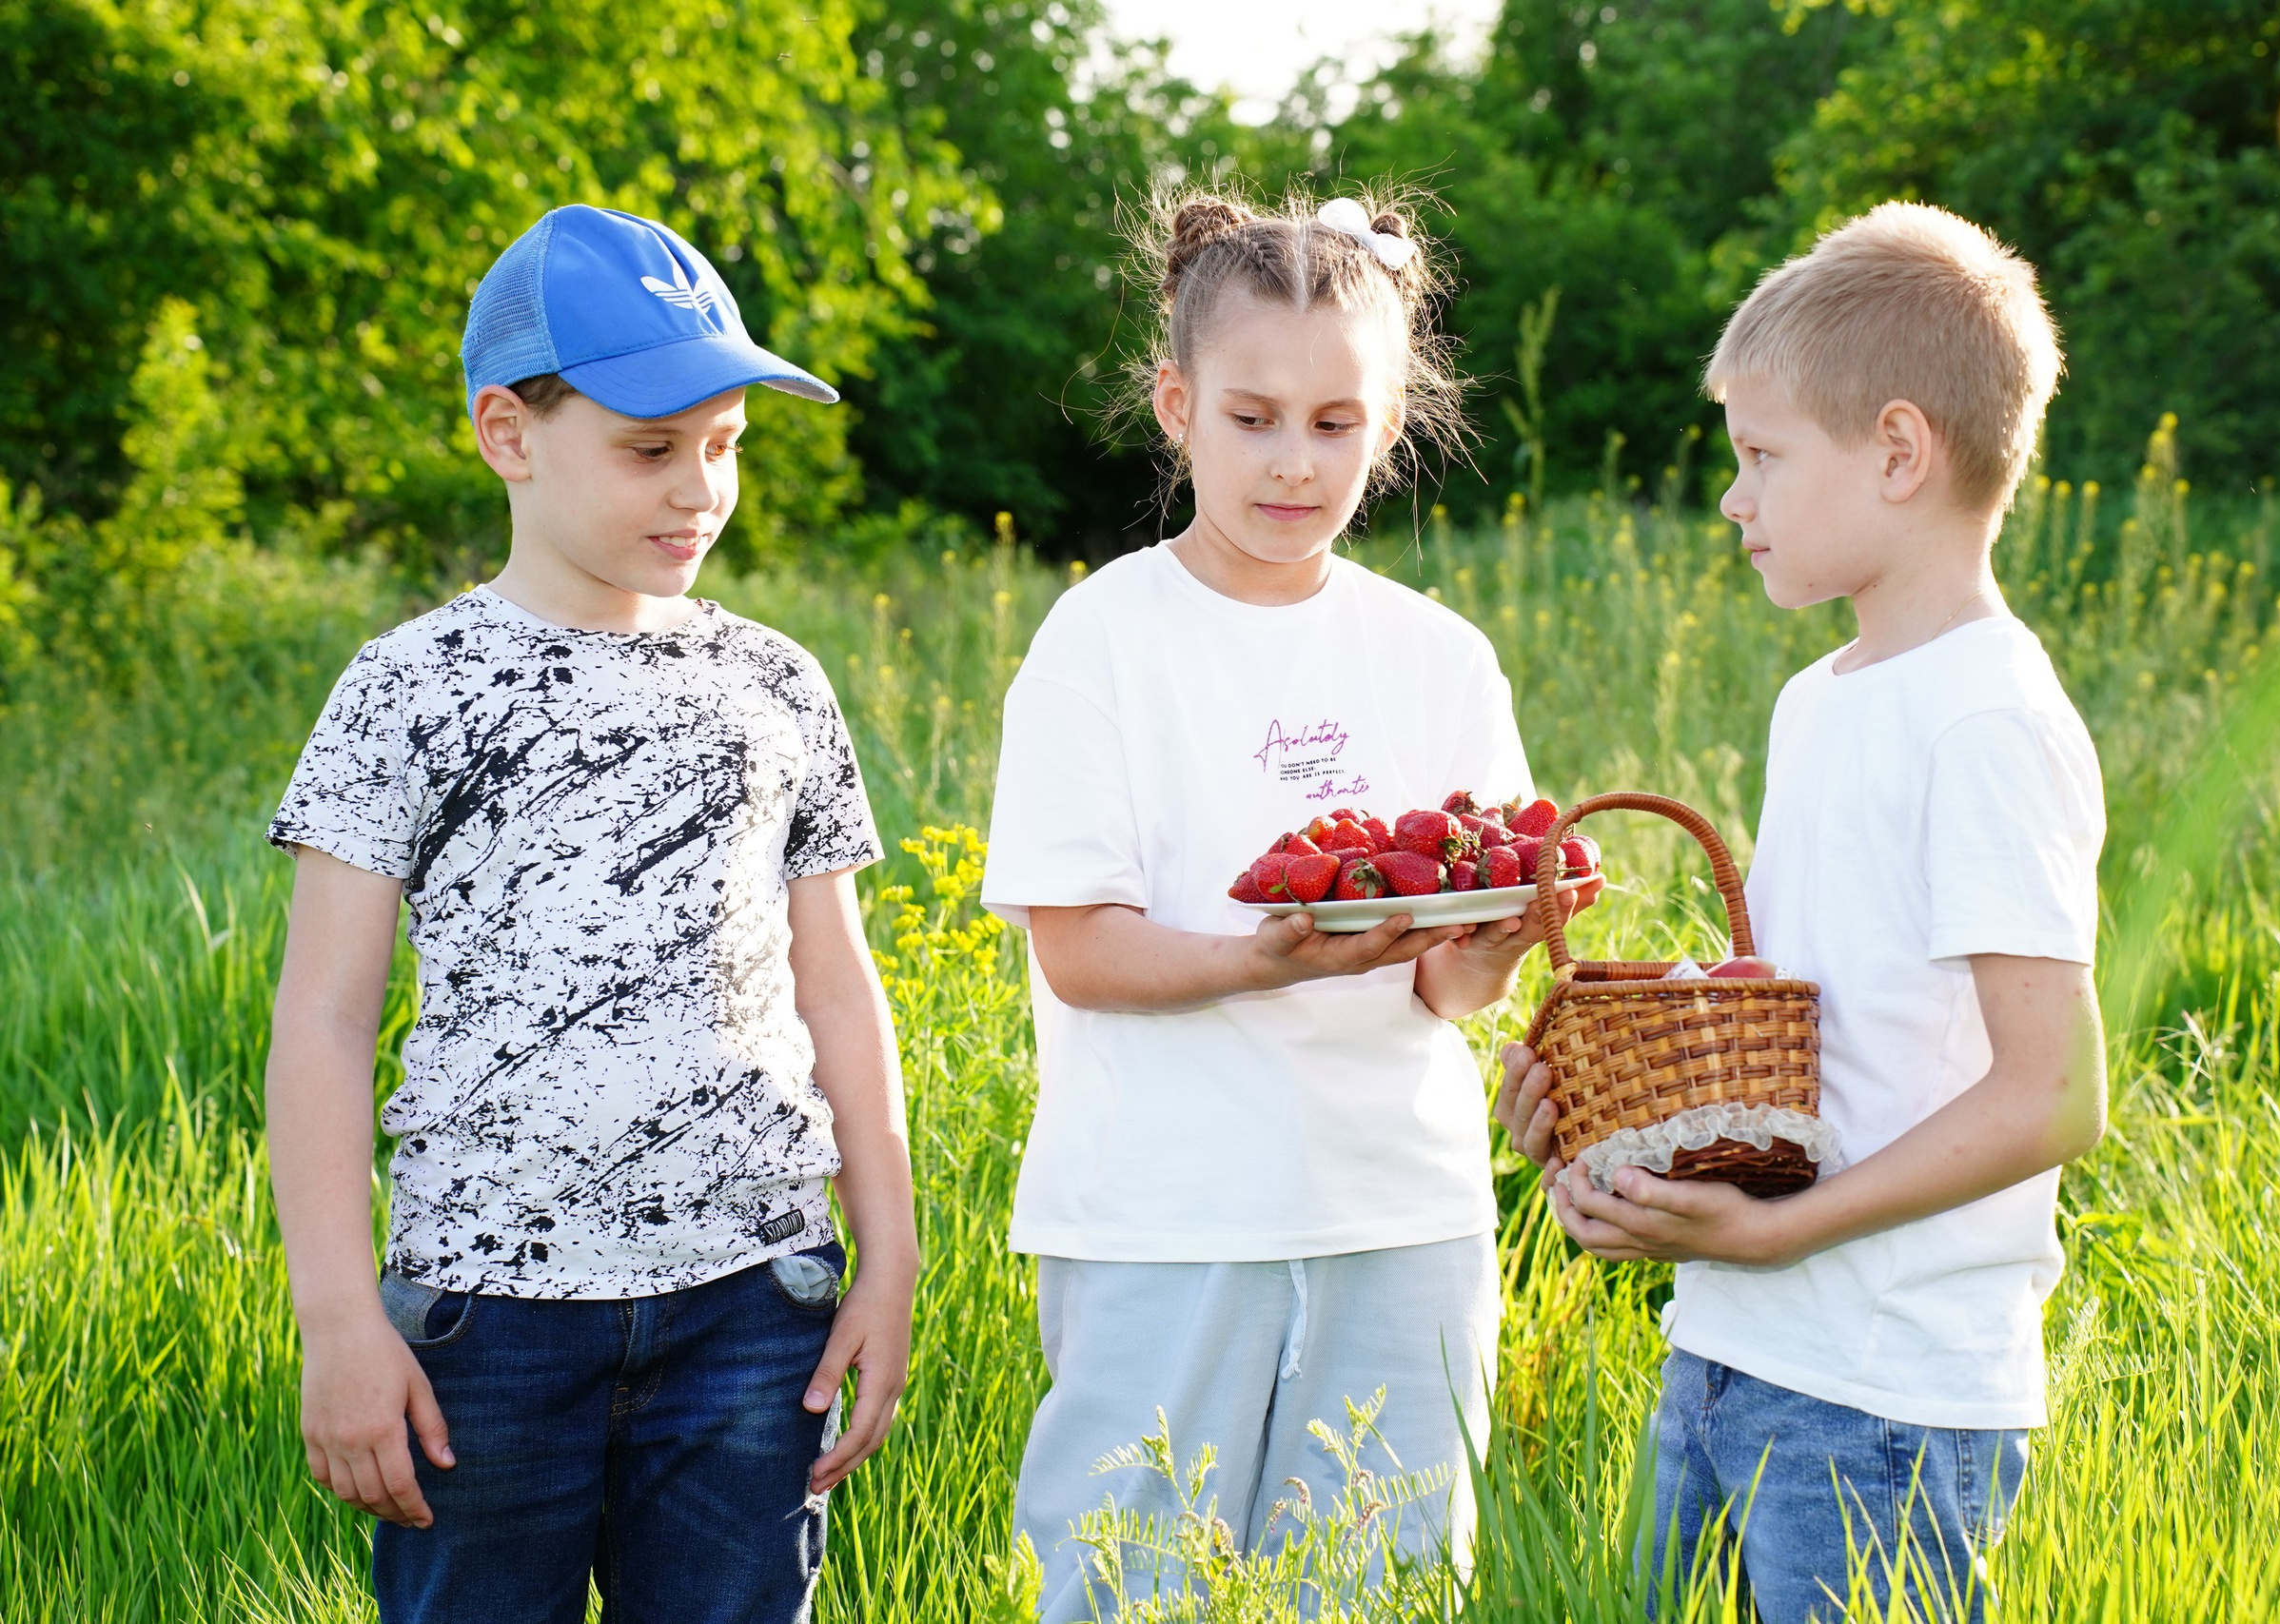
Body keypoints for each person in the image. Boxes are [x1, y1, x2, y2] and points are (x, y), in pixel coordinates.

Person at [261, 205, 915, 1624]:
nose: (700, 489)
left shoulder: (778, 684)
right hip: (483, 1326)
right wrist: (335, 1319)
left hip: (755, 1303)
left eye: (725, 445)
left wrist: (893, 1252)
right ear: (509, 432)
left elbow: (839, 987)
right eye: (649, 448)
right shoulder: (410, 687)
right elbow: (321, 1018)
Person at [979, 190, 1596, 1620]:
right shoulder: (1106, 640)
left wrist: (1494, 940)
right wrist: (1266, 963)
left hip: (1399, 1209)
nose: (1292, 463)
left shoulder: (1437, 656)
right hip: (1165, 1217)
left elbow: (1443, 988)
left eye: (1335, 424)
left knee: (1376, 1590)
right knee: (1136, 1587)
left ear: (1389, 428)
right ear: (1176, 403)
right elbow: (1080, 951)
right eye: (1252, 417)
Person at [1495, 202, 2108, 1622]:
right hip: (1729, 1352)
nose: (1733, 498)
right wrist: (1608, 1122)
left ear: (1899, 452)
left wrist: (1793, 1228)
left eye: (1763, 458)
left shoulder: (1988, 721)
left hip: (1885, 1404)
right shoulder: (1816, 702)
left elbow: (2056, 1093)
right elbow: (1799, 1027)